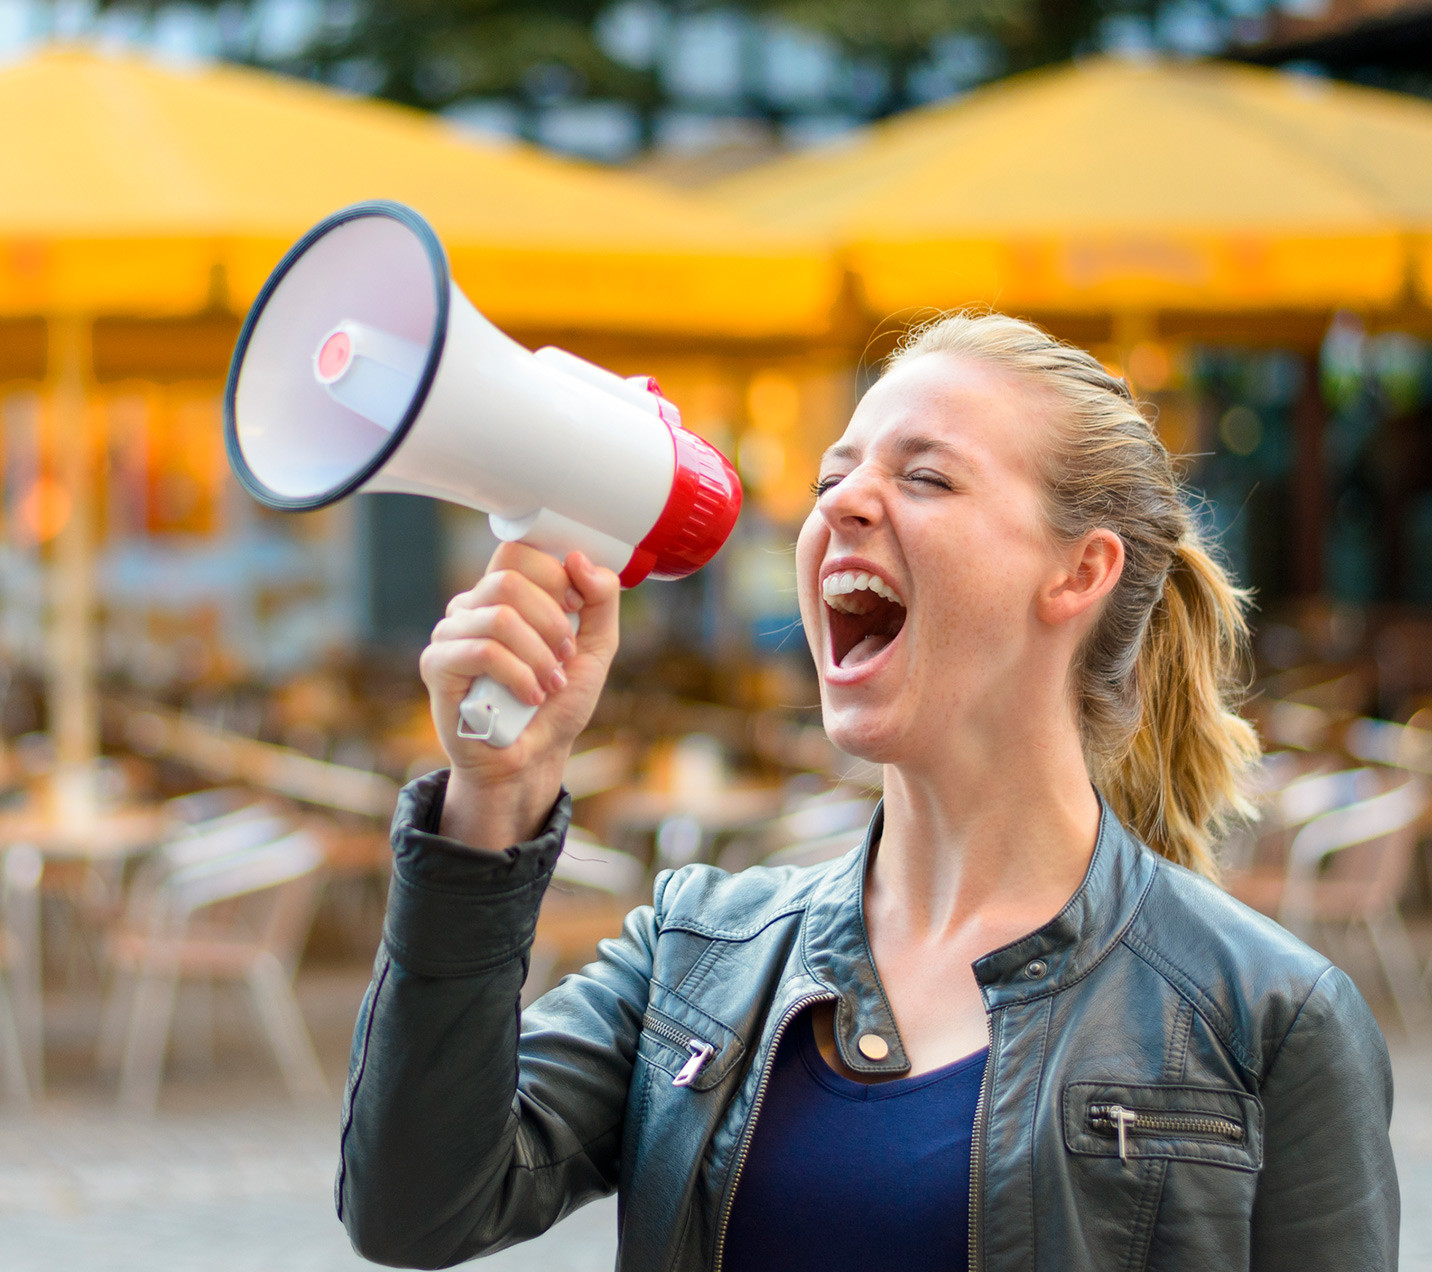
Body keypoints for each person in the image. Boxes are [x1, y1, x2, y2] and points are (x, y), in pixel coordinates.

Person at [336, 312, 1399, 1271]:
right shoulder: (698, 956)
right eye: (831, 478)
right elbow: (416, 1209)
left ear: (1079, 573)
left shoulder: (1265, 1016)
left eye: (927, 478)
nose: (843, 501)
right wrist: (492, 805)